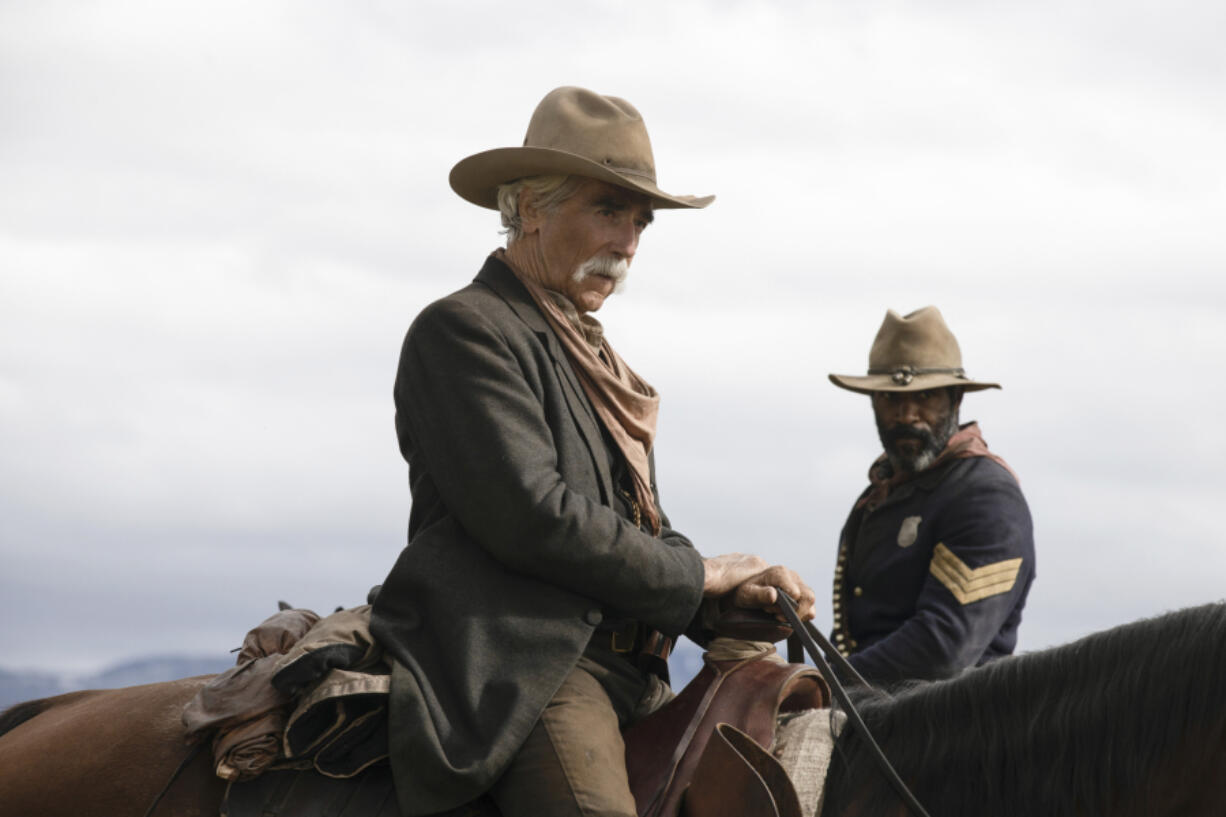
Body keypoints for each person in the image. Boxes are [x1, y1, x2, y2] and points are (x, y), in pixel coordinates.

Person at [369, 86, 816, 817]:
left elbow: (636, 529)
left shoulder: (591, 357)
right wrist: (700, 571)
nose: (630, 241)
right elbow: (533, 517)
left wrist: (728, 599)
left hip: (634, 668)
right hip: (529, 670)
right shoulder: (463, 330)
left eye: (640, 222)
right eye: (609, 211)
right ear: (530, 208)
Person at [826, 306, 1035, 685]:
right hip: (865, 710)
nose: (907, 414)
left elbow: (943, 648)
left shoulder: (987, 496)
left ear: (956, 399)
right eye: (890, 399)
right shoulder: (878, 496)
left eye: (925, 397)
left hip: (946, 726)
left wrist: (829, 687)